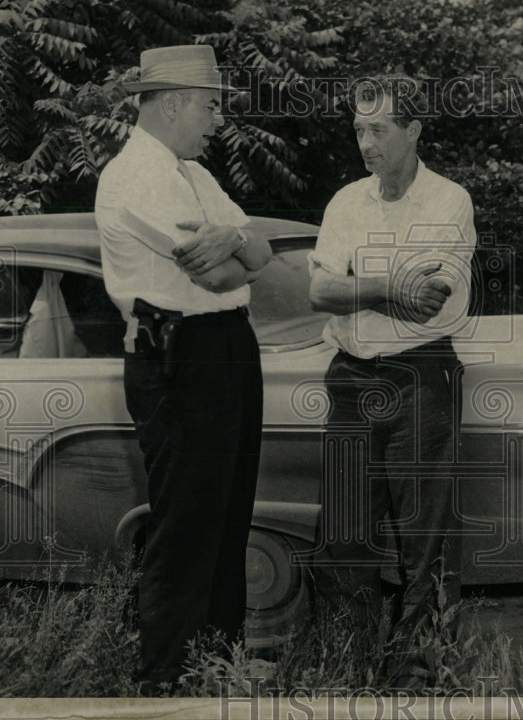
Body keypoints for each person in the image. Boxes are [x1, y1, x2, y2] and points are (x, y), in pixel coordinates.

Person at [95, 45, 273, 694]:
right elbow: (221, 269)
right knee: (185, 523)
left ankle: (216, 663)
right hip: (177, 354)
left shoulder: (192, 173)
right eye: (208, 104)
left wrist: (238, 244)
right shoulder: (133, 176)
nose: (217, 119)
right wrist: (236, 246)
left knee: (228, 512)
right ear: (171, 103)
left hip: (224, 346)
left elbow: (262, 249)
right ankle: (163, 679)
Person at [308, 75, 476, 682]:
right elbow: (320, 291)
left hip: (421, 374)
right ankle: (343, 660)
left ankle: (416, 670)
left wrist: (360, 289)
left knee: (425, 532)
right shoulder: (345, 202)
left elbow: (428, 300)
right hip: (350, 377)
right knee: (344, 529)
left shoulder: (449, 200)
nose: (365, 142)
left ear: (414, 131)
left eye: (379, 129)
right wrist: (386, 287)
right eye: (358, 129)